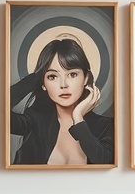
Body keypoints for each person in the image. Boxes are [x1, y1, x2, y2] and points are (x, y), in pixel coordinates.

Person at [10, 37, 114, 165]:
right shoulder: (36, 122)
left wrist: (78, 118)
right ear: (43, 83)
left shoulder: (106, 126)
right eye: (52, 76)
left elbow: (106, 165)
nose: (63, 85)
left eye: (72, 74)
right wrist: (37, 76)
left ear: (86, 78)